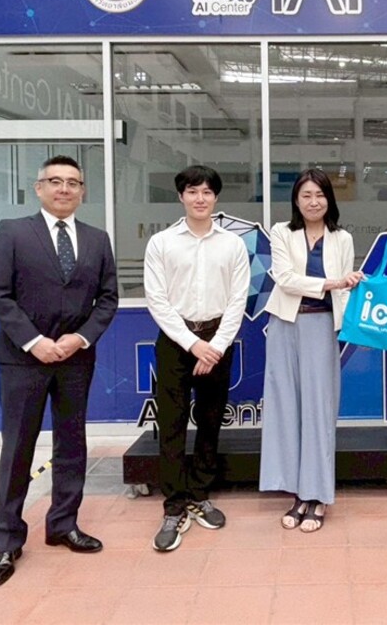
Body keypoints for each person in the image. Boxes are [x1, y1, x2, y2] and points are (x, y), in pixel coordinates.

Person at [0, 155, 118, 588]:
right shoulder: (13, 232)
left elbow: (108, 299)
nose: (64, 189)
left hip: (75, 360)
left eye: (73, 182)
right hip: (23, 359)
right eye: (55, 181)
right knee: (17, 449)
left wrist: (80, 338)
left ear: (82, 191)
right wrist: (34, 341)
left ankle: (63, 524)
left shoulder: (97, 239)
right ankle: (7, 541)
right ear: (39, 187)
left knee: (71, 443)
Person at [144, 165, 250, 552]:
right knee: (171, 424)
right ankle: (174, 505)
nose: (200, 198)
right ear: (181, 196)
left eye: (207, 192)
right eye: (192, 191)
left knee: (210, 420)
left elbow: (238, 299)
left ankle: (200, 493)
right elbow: (157, 299)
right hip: (176, 340)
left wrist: (216, 346)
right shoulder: (161, 242)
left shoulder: (232, 245)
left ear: (216, 197)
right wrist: (192, 344)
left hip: (218, 338)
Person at [260, 169, 364, 532]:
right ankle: (298, 494)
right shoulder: (281, 232)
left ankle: (318, 495)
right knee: (287, 410)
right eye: (306, 195)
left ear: (329, 200)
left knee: (319, 412)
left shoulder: (342, 238)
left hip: (322, 327)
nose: (313, 202)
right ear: (296, 200)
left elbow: (345, 291)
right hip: (285, 325)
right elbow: (285, 279)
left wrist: (352, 293)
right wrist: (333, 282)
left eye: (320, 195)